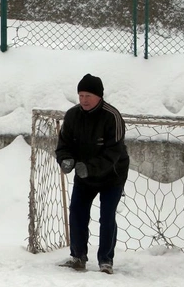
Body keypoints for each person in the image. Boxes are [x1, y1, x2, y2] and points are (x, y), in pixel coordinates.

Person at [55, 73, 129, 274]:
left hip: (112, 175)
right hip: (84, 175)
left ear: (99, 96)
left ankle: (106, 260)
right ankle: (78, 256)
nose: (84, 100)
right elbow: (63, 146)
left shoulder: (112, 116)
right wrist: (66, 160)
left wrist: (90, 167)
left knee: (106, 216)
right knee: (77, 212)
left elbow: (113, 152)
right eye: (81, 95)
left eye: (88, 95)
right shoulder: (72, 116)